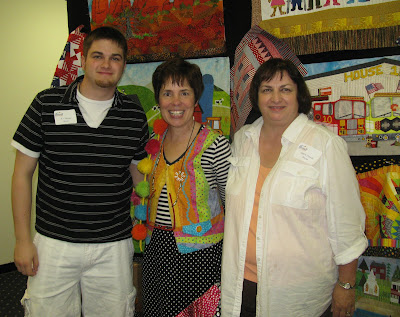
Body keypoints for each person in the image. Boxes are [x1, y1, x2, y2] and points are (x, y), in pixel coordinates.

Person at [11, 26, 149, 316]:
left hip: (113, 245)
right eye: (98, 56)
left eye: (116, 58)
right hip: (54, 244)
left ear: (124, 65)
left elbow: (140, 179)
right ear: (83, 60)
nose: (106, 64)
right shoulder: (46, 103)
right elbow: (22, 175)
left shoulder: (134, 115)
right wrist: (23, 241)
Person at [221, 58, 368, 317]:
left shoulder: (325, 145)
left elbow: (347, 224)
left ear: (299, 94)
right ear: (256, 96)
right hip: (241, 285)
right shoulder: (243, 139)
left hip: (298, 295)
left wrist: (345, 285)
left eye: (285, 89)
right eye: (267, 89)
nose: (275, 97)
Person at [142, 57, 231, 316]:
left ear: (196, 98)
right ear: (158, 101)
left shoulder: (215, 145)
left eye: (184, 93)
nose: (176, 102)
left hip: (201, 255)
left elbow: (231, 203)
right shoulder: (153, 144)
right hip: (157, 250)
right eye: (167, 93)